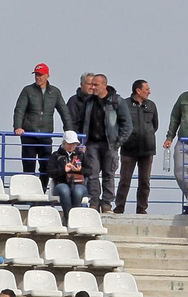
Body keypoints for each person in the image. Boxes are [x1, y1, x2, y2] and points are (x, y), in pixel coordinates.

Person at [76, 73, 128, 212]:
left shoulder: (116, 101)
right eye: (91, 84)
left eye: (96, 85)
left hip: (110, 144)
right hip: (91, 144)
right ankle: (94, 202)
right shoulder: (88, 102)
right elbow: (80, 122)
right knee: (92, 174)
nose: (92, 87)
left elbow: (127, 125)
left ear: (104, 85)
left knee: (108, 175)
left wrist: (118, 143)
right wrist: (81, 141)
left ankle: (106, 204)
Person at [13, 63, 67, 186]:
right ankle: (29, 192)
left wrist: (69, 131)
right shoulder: (27, 90)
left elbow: (64, 112)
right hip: (29, 135)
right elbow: (19, 109)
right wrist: (17, 127)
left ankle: (42, 190)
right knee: (28, 166)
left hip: (45, 135)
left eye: (41, 75)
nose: (38, 77)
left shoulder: (55, 92)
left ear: (47, 75)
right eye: (36, 75)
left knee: (46, 166)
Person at [116, 80, 159, 214]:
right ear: (138, 90)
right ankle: (119, 208)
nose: (149, 92)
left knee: (144, 181)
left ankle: (141, 209)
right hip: (128, 149)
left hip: (147, 149)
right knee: (124, 181)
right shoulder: (124, 104)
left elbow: (155, 125)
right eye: (146, 89)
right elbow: (119, 124)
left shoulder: (151, 105)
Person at [47, 131, 88, 216]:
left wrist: (80, 170)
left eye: (74, 144)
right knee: (64, 191)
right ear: (64, 142)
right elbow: (50, 172)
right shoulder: (56, 155)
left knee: (77, 191)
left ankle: (73, 216)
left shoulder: (81, 155)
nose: (72, 146)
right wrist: (63, 170)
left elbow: (90, 171)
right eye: (70, 144)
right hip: (61, 183)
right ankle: (69, 216)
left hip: (79, 183)